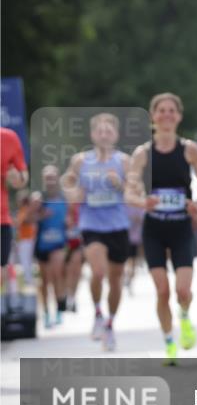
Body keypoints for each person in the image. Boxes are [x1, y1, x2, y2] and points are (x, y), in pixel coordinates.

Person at [125, 93, 197, 366]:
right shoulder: (142, 154)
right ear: (153, 116)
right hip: (155, 230)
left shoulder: (189, 149)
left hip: (181, 228)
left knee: (182, 291)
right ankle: (169, 342)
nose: (166, 115)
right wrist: (143, 202)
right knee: (162, 291)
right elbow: (129, 192)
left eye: (171, 110)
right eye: (161, 110)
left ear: (179, 116)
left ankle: (184, 316)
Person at [62, 113, 132, 351]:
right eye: (99, 131)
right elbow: (67, 182)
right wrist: (74, 194)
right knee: (98, 271)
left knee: (116, 278)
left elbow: (135, 190)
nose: (104, 135)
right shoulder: (81, 161)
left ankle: (110, 324)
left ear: (116, 135)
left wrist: (120, 185)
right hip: (91, 224)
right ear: (93, 135)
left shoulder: (124, 162)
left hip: (118, 225)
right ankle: (98, 314)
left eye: (108, 131)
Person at [34, 166, 69, 328]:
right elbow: (27, 219)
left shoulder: (64, 198)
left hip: (59, 244)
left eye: (52, 177)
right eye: (47, 178)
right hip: (42, 245)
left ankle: (59, 309)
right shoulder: (38, 199)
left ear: (57, 179)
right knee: (44, 280)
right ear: (43, 180)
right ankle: (47, 312)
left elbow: (72, 218)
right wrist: (40, 214)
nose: (50, 181)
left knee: (57, 275)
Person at [1, 127, 29, 300]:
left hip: (1, 217)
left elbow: (22, 175)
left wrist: (17, 179)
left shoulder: (9, 138)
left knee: (1, 271)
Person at [13, 192, 38, 292]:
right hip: (25, 238)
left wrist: (16, 221)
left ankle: (29, 280)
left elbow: (22, 222)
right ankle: (28, 279)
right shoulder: (24, 210)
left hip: (26, 239)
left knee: (26, 260)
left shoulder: (26, 210)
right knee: (26, 260)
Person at [124, 203, 145, 295]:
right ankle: (127, 277)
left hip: (135, 240)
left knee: (132, 262)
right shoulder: (125, 205)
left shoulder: (140, 206)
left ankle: (129, 279)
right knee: (128, 261)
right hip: (124, 238)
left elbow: (143, 219)